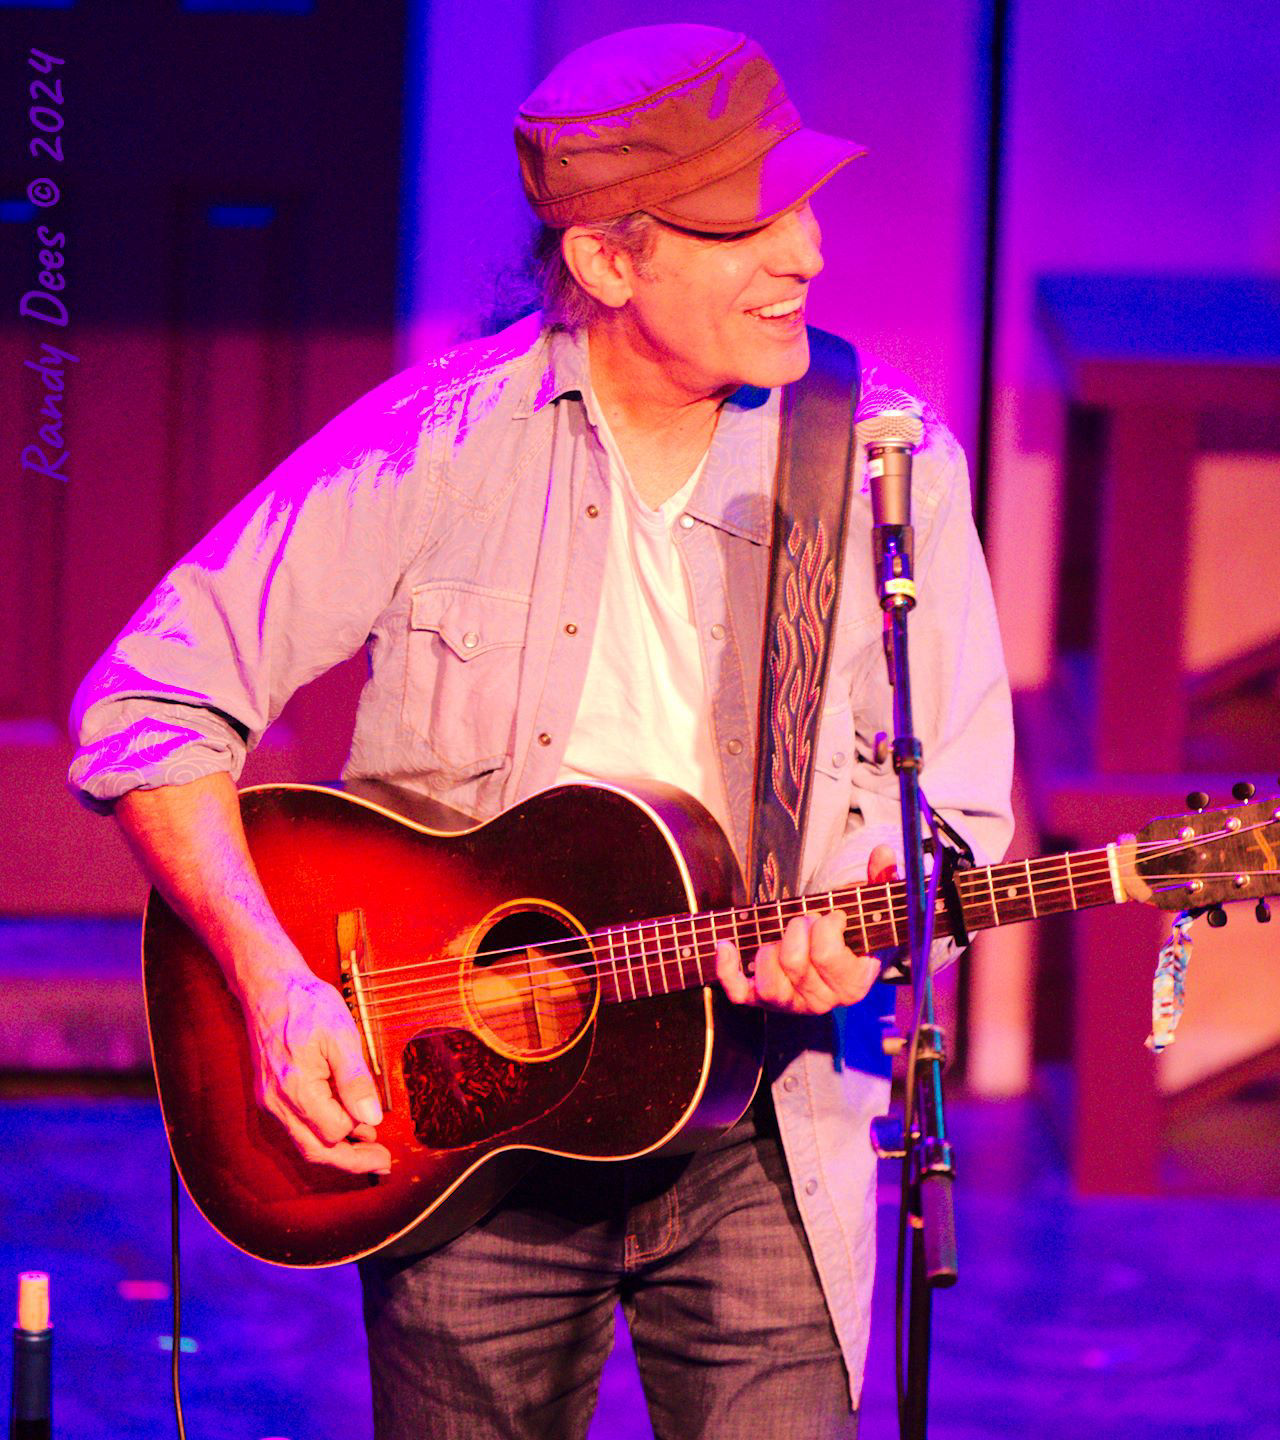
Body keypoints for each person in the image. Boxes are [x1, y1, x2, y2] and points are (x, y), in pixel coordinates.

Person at [68, 23, 1013, 1440]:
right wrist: (276, 985)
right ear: (608, 261)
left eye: (802, 204)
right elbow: (143, 707)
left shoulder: (883, 461)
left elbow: (961, 832)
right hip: (461, 1122)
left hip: (762, 1128)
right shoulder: (434, 444)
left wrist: (875, 911)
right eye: (746, 222)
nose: (806, 252)